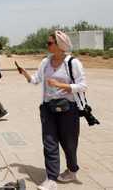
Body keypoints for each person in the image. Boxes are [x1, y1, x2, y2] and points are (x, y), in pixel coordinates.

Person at [16, 31, 87, 190]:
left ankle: (72, 170)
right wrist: (26, 74)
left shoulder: (72, 63)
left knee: (69, 143)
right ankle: (51, 178)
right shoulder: (45, 62)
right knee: (49, 142)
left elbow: (83, 86)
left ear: (60, 45)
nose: (47, 45)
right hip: (48, 108)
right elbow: (36, 80)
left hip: (68, 109)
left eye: (49, 43)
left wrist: (60, 85)